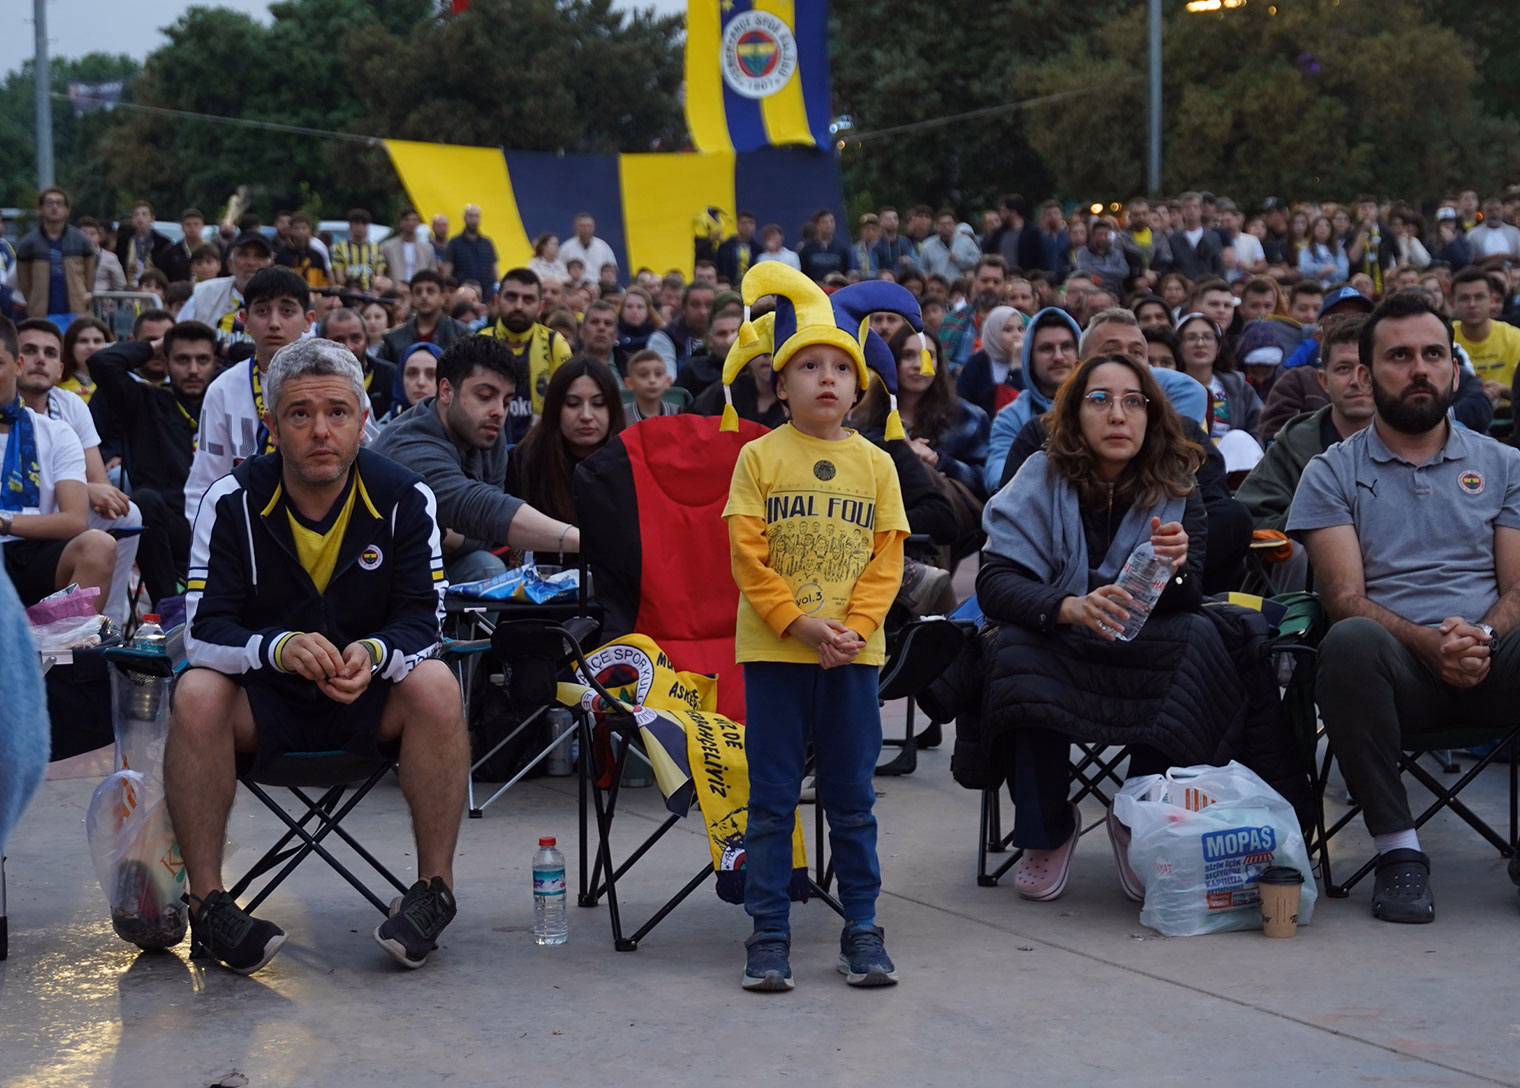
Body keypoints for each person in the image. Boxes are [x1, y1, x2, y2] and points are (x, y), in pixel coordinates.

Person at [169, 338, 464, 973]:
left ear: (364, 420)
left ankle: (434, 891)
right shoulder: (230, 500)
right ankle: (207, 903)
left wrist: (376, 653)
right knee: (196, 690)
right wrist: (277, 649)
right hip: (264, 706)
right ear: (272, 427)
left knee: (437, 683)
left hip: (369, 702)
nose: (321, 431)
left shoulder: (406, 496)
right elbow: (202, 631)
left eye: (337, 412)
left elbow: (426, 619)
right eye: (300, 415)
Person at [972, 350, 1303, 901]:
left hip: (1142, 633)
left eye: (1133, 401)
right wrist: (1069, 606)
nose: (1117, 414)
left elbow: (1187, 596)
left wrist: (1173, 567)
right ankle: (1048, 828)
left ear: (1151, 416)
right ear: (1075, 413)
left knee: (1199, 642)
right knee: (1013, 650)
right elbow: (996, 582)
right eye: (1100, 400)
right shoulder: (1038, 476)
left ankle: (1137, 815)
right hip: (1060, 630)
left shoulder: (1177, 484)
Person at [1287, 292, 1520, 924]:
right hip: (1395, 676)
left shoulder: (1504, 465)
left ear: (1454, 370)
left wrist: (1478, 635)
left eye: (1433, 355)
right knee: (1348, 640)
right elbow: (1344, 598)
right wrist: (1428, 643)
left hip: (1493, 662)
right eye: (1399, 356)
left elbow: (1516, 589)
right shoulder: (1330, 473)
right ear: (1365, 375)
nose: (1419, 369)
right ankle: (1398, 852)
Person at [719, 264, 915, 991]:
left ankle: (861, 926)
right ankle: (768, 932)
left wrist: (854, 629)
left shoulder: (878, 465)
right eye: (808, 366)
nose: (826, 378)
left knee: (852, 801)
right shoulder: (757, 457)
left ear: (859, 388)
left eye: (840, 368)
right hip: (776, 653)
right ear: (780, 385)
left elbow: (888, 559)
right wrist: (800, 625)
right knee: (772, 801)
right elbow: (747, 555)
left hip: (853, 657)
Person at [371, 336, 581, 585]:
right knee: (486, 566)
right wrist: (581, 541)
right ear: (446, 391)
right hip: (378, 571)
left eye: (507, 401)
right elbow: (482, 509)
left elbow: (485, 531)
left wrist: (453, 536)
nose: (499, 411)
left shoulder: (488, 434)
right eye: (484, 396)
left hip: (435, 559)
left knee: (483, 564)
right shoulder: (408, 445)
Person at [16, 318, 144, 625]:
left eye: (50, 353)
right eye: (30, 351)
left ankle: (110, 620)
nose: (40, 359)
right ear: (13, 362)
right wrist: (85, 489)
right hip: (20, 513)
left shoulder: (71, 405)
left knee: (127, 513)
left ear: (60, 369)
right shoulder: (8, 410)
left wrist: (89, 490)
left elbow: (101, 485)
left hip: (62, 508)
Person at [1235, 315, 1373, 589]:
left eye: (1366, 369)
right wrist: (1313, 514)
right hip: (1309, 586)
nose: (1356, 381)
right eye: (1343, 369)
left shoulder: (1411, 440)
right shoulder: (1294, 444)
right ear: (1323, 380)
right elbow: (1247, 520)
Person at [87, 320, 215, 605]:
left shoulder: (226, 399)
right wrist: (156, 345)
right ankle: (169, 608)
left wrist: (225, 347)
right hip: (170, 525)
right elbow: (101, 363)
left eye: (203, 360)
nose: (193, 369)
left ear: (215, 362)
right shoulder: (144, 400)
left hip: (223, 523)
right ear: (165, 361)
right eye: (182, 359)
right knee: (143, 501)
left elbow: (262, 359)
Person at [0, 314, 116, 609]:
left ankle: (66, 638)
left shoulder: (57, 432)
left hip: (29, 551)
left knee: (99, 544)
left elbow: (74, 520)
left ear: (17, 366)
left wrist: (4, 522)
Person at [184, 268, 314, 525]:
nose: (274, 323)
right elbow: (205, 483)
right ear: (244, 319)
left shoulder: (338, 383)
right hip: (246, 525)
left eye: (287, 311)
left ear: (308, 320)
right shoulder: (223, 390)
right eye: (262, 311)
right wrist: (208, 541)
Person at [858, 325, 989, 500]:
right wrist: (899, 454)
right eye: (908, 356)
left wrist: (939, 461)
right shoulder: (866, 418)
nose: (919, 365)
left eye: (929, 356)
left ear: (939, 363)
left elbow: (984, 484)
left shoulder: (969, 419)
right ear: (892, 361)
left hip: (945, 514)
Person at [505, 357, 624, 528]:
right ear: (554, 408)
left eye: (598, 404)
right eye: (573, 404)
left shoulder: (630, 464)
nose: (586, 416)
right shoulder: (522, 463)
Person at [982, 307, 1081, 495]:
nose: (1058, 356)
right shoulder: (1011, 415)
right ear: (1030, 360)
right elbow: (998, 469)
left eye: (1066, 346)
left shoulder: (1099, 404)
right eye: (1047, 349)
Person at [479, 268, 573, 442]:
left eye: (528, 299)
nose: (519, 306)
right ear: (497, 301)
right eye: (511, 297)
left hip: (540, 447)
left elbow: (568, 402)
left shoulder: (555, 344)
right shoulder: (479, 342)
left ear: (540, 307)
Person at [1177, 312, 1262, 446]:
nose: (1200, 343)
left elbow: (1258, 426)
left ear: (1218, 346)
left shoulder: (1239, 387)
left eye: (1208, 337)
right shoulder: (1170, 387)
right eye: (1191, 338)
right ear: (1179, 346)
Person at [179, 230, 276, 347]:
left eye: (259, 256)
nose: (251, 262)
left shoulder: (285, 299)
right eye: (243, 255)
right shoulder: (204, 293)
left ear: (271, 264)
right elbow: (179, 336)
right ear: (230, 264)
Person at [15, 188, 95, 320]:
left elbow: (89, 277)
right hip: (41, 315)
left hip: (76, 313)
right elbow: (25, 283)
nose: (54, 207)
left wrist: (83, 297)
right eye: (49, 203)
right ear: (40, 209)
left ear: (67, 210)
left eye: (59, 203)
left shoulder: (81, 240)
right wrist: (34, 302)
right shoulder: (28, 244)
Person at [1451, 265, 1520, 403]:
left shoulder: (1515, 338)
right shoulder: (1445, 337)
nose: (1472, 304)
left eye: (1479, 297)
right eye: (1464, 298)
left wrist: (1505, 391)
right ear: (1453, 304)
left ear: (1492, 301)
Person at [378, 269, 470, 367]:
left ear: (443, 297)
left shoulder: (461, 334)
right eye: (418, 292)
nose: (424, 296)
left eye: (430, 291)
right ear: (412, 298)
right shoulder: (393, 339)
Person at [322, 307, 395, 421]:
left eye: (356, 339)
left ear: (366, 339)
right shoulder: (312, 381)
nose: (349, 347)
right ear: (322, 342)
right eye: (338, 341)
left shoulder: (389, 374)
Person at [955, 305, 1025, 420]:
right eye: (1008, 330)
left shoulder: (1030, 362)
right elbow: (963, 404)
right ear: (994, 332)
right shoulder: (976, 364)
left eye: (1020, 329)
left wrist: (1017, 367)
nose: (1017, 335)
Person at [647, 282, 713, 380]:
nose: (703, 312)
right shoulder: (665, 338)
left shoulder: (726, 335)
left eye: (709, 305)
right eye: (695, 305)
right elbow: (669, 383)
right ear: (683, 308)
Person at [114, 200, 177, 284]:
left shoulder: (163, 243)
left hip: (154, 287)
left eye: (144, 214)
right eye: (136, 215)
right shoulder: (124, 242)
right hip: (129, 285)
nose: (140, 218)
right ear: (132, 219)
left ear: (152, 218)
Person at [442, 205, 498, 297]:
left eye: (476, 216)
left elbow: (494, 270)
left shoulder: (487, 243)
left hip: (486, 295)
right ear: (465, 218)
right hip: (463, 295)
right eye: (471, 216)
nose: (474, 220)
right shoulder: (454, 243)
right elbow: (447, 272)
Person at [330, 209, 387, 293]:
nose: (360, 227)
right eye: (356, 223)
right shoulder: (340, 248)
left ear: (367, 227)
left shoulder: (376, 248)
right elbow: (340, 277)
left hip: (370, 293)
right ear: (350, 226)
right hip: (348, 293)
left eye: (364, 224)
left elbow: (379, 276)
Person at [59, 316, 112, 402]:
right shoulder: (56, 382)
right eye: (83, 341)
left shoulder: (118, 382)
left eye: (97, 341)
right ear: (70, 347)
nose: (91, 346)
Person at [378, 208, 434, 288]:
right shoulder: (388, 247)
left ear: (418, 223)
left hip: (419, 288)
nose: (411, 223)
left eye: (414, 220)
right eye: (407, 220)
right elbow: (381, 270)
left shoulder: (427, 248)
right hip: (396, 288)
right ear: (401, 223)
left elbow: (432, 271)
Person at [623, 347, 680, 426]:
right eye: (643, 375)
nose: (652, 380)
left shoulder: (679, 413)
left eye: (658, 374)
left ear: (668, 381)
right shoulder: (621, 416)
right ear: (629, 383)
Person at [274, 213, 331, 288]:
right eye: (296, 228)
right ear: (290, 230)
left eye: (304, 228)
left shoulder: (317, 256)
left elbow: (324, 282)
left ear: (310, 230)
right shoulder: (281, 254)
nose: (300, 232)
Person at [558, 213, 617, 286]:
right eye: (582, 226)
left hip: (600, 287)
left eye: (589, 226)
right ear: (576, 228)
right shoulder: (566, 248)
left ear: (593, 227)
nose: (586, 229)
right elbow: (560, 270)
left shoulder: (603, 247)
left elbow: (612, 269)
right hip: (574, 287)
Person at [78, 217, 126, 294]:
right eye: (84, 233)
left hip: (101, 299)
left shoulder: (110, 258)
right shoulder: (71, 257)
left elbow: (120, 286)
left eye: (92, 234)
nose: (88, 237)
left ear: (99, 236)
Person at [1298, 216, 1349, 287]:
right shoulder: (1306, 250)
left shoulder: (1339, 251)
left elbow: (1344, 273)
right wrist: (1327, 268)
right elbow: (1305, 269)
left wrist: (1318, 273)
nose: (1322, 228)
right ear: (1313, 229)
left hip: (1334, 288)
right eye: (1318, 225)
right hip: (1313, 288)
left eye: (1327, 225)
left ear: (1331, 230)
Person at [616, 286, 661, 354]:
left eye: (640, 307)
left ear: (648, 311)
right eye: (629, 306)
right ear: (621, 310)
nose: (634, 311)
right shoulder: (612, 333)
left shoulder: (658, 336)